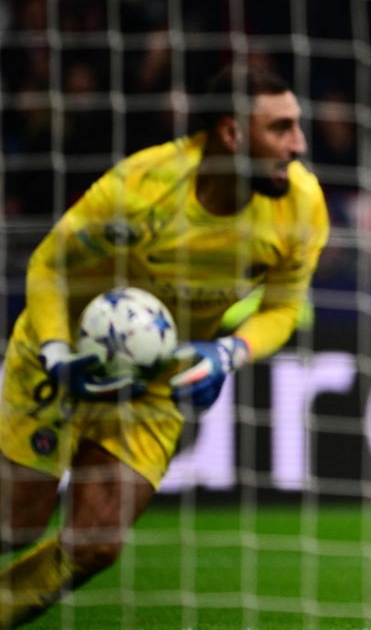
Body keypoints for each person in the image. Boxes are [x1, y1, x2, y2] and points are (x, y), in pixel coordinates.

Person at [0, 65, 329, 627]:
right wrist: (55, 350)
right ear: (232, 133)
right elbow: (50, 265)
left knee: (96, 542)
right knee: (16, 522)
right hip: (65, 355)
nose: (297, 144)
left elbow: (281, 309)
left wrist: (229, 352)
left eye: (296, 127)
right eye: (281, 128)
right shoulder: (145, 186)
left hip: (155, 377)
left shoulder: (300, 207)